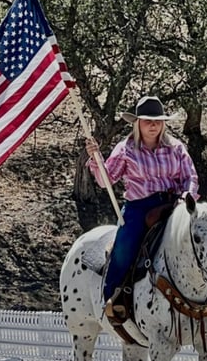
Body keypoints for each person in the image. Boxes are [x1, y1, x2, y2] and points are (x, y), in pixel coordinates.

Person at [85, 96, 199, 320]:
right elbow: (106, 180)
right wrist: (96, 159)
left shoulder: (176, 148)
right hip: (139, 207)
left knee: (204, 235)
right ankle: (112, 296)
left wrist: (186, 197)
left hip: (174, 203)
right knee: (125, 245)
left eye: (157, 121)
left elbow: (190, 177)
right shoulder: (126, 149)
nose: (153, 125)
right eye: (147, 120)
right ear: (137, 123)